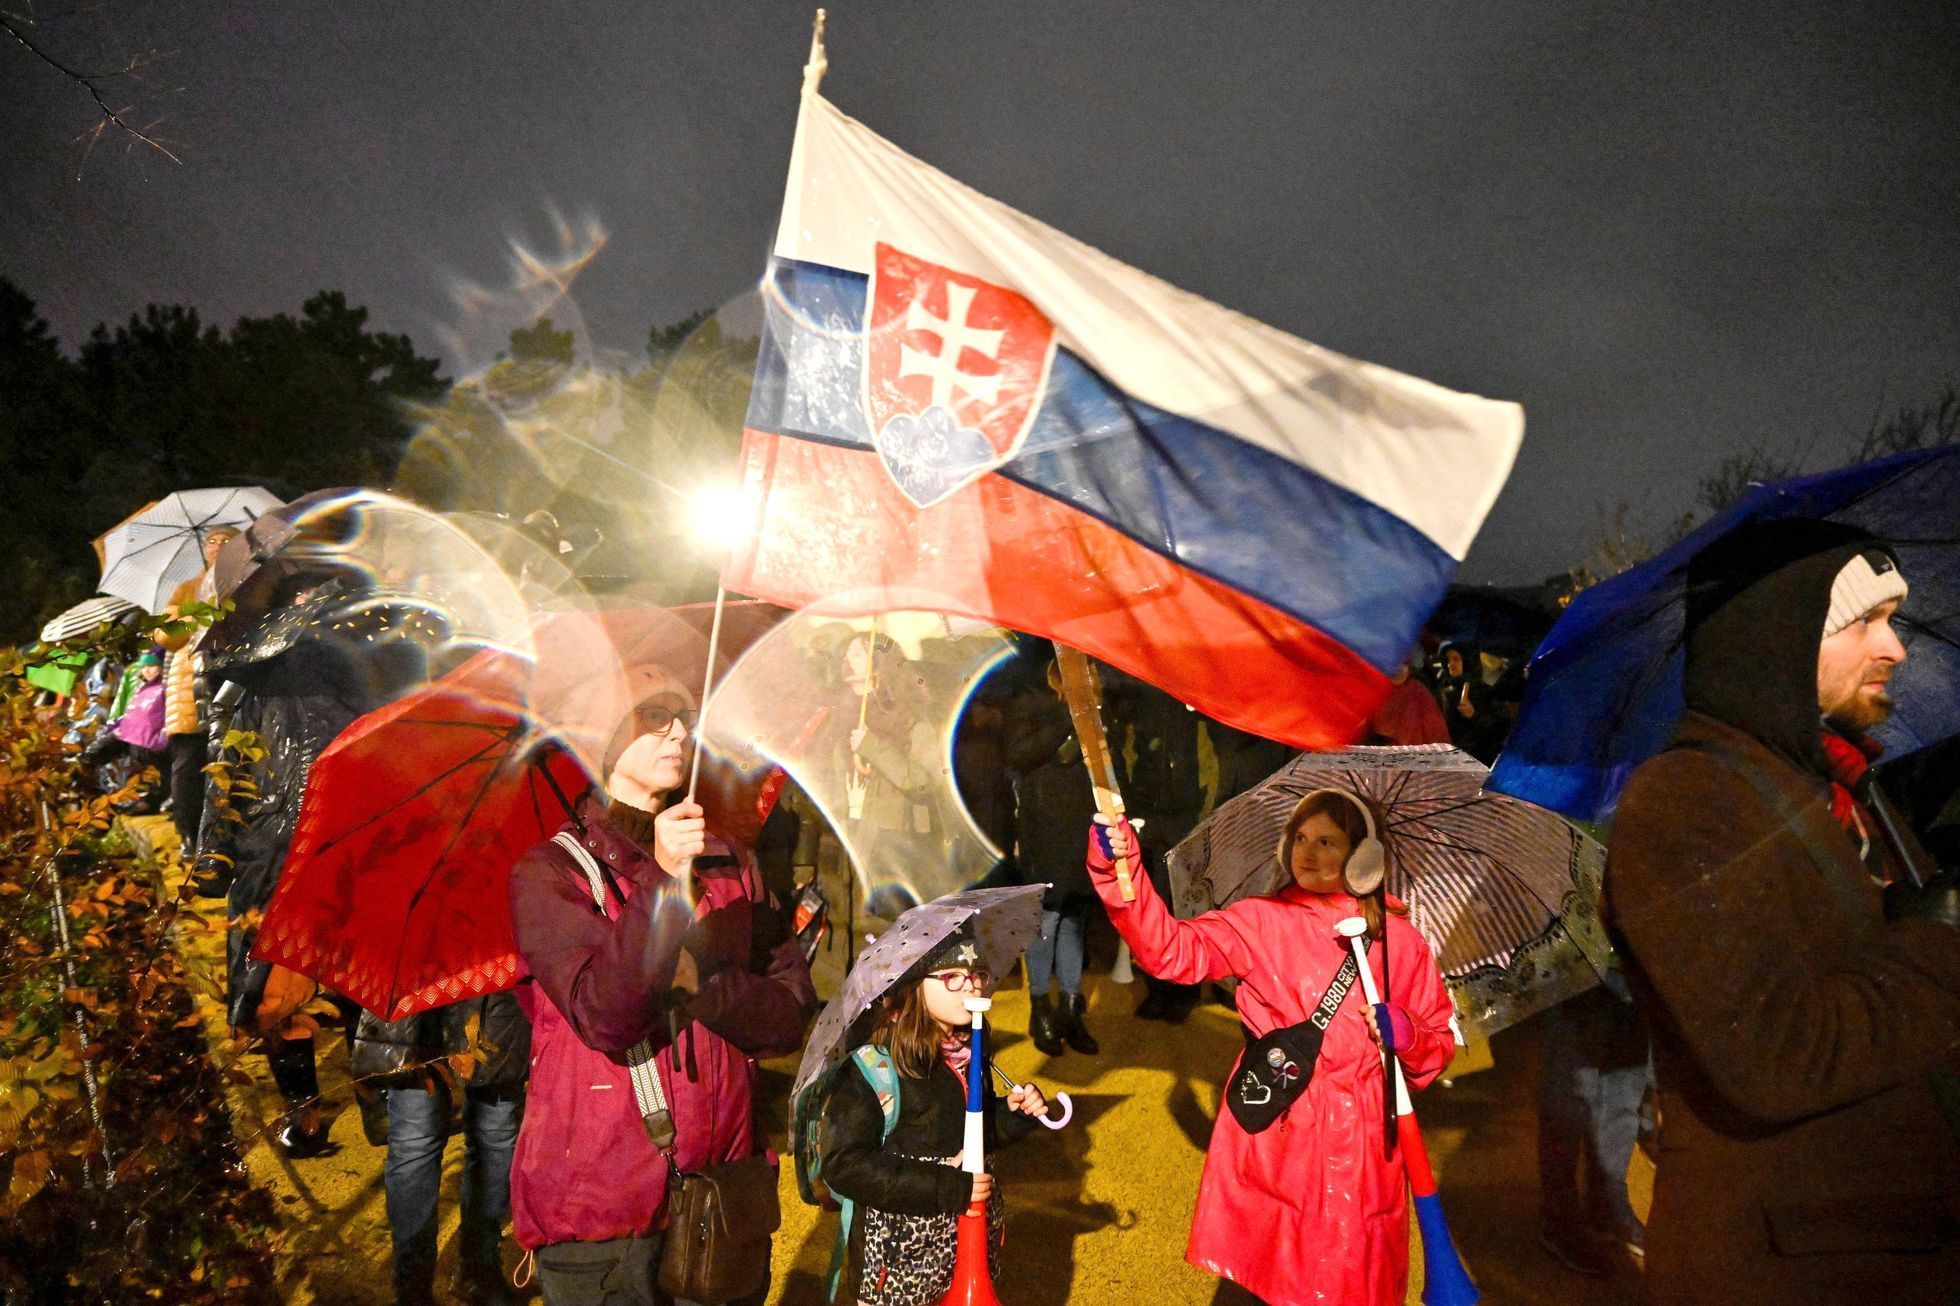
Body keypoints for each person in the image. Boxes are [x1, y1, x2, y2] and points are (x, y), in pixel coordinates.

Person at [1606, 521, 1960, 1301]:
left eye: (1894, 619)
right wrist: (1940, 935)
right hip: (1790, 1266)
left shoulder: (1840, 785)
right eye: (1864, 621)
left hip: (1888, 1242)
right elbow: (1777, 1056)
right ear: (1778, 638)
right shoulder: (1687, 800)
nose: (1895, 647)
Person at [506, 668, 816, 1304]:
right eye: (653, 714)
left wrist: (704, 984)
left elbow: (788, 1017)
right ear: (599, 736)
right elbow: (607, 1018)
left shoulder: (729, 862)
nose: (678, 729)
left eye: (682, 715)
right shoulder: (549, 874)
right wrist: (663, 883)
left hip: (724, 1188)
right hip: (604, 1203)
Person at [1088, 793, 1455, 1305]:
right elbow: (1170, 951)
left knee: (1354, 1282)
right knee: (1273, 1280)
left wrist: (1410, 1034)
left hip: (1368, 1146)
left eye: (1326, 841)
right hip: (1283, 1136)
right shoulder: (1259, 921)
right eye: (1299, 839)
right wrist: (1119, 870)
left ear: (1364, 855)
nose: (1307, 852)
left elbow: (1435, 1051)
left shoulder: (1402, 943)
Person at [819, 927, 1048, 1305]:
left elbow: (970, 1135)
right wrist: (945, 1186)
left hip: (963, 1241)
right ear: (911, 986)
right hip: (898, 1264)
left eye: (977, 976)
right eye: (951, 977)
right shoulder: (876, 1067)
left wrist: (1012, 1115)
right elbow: (844, 1164)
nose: (970, 988)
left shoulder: (971, 1048)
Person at [350, 993, 530, 1306]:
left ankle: (479, 1267)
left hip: (499, 989)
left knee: (495, 1137)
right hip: (417, 998)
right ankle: (413, 1285)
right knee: (416, 1144)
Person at [1003, 658, 1102, 1055]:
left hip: (1082, 825)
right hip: (1044, 828)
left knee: (1076, 916)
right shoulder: (1029, 703)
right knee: (1047, 917)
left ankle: (1070, 1009)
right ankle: (1040, 1006)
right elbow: (1020, 754)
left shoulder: (1095, 713)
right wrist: (1068, 717)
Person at [1534, 964, 1651, 1276]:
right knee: (1571, 1102)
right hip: (1577, 963)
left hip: (1637, 961)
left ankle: (1607, 1206)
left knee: (1625, 1095)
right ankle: (1560, 1222)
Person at [156, 525, 238, 851]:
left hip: (231, 680)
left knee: (229, 759)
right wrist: (199, 613)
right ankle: (189, 835)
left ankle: (224, 838)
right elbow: (165, 636)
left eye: (226, 541)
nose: (217, 546)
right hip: (190, 684)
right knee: (189, 763)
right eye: (212, 541)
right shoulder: (187, 589)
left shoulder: (245, 584)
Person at [1432, 641, 1502, 763]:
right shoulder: (1444, 692)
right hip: (1455, 761)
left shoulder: (1485, 691)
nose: (1450, 665)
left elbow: (1498, 730)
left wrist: (1473, 715)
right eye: (1447, 660)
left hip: (1481, 759)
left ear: (1468, 661)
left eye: (1455, 659)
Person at [1362, 653, 1451, 747]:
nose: (1401, 670)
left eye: (1404, 664)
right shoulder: (1374, 693)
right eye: (1395, 665)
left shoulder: (1418, 692)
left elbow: (1436, 731)